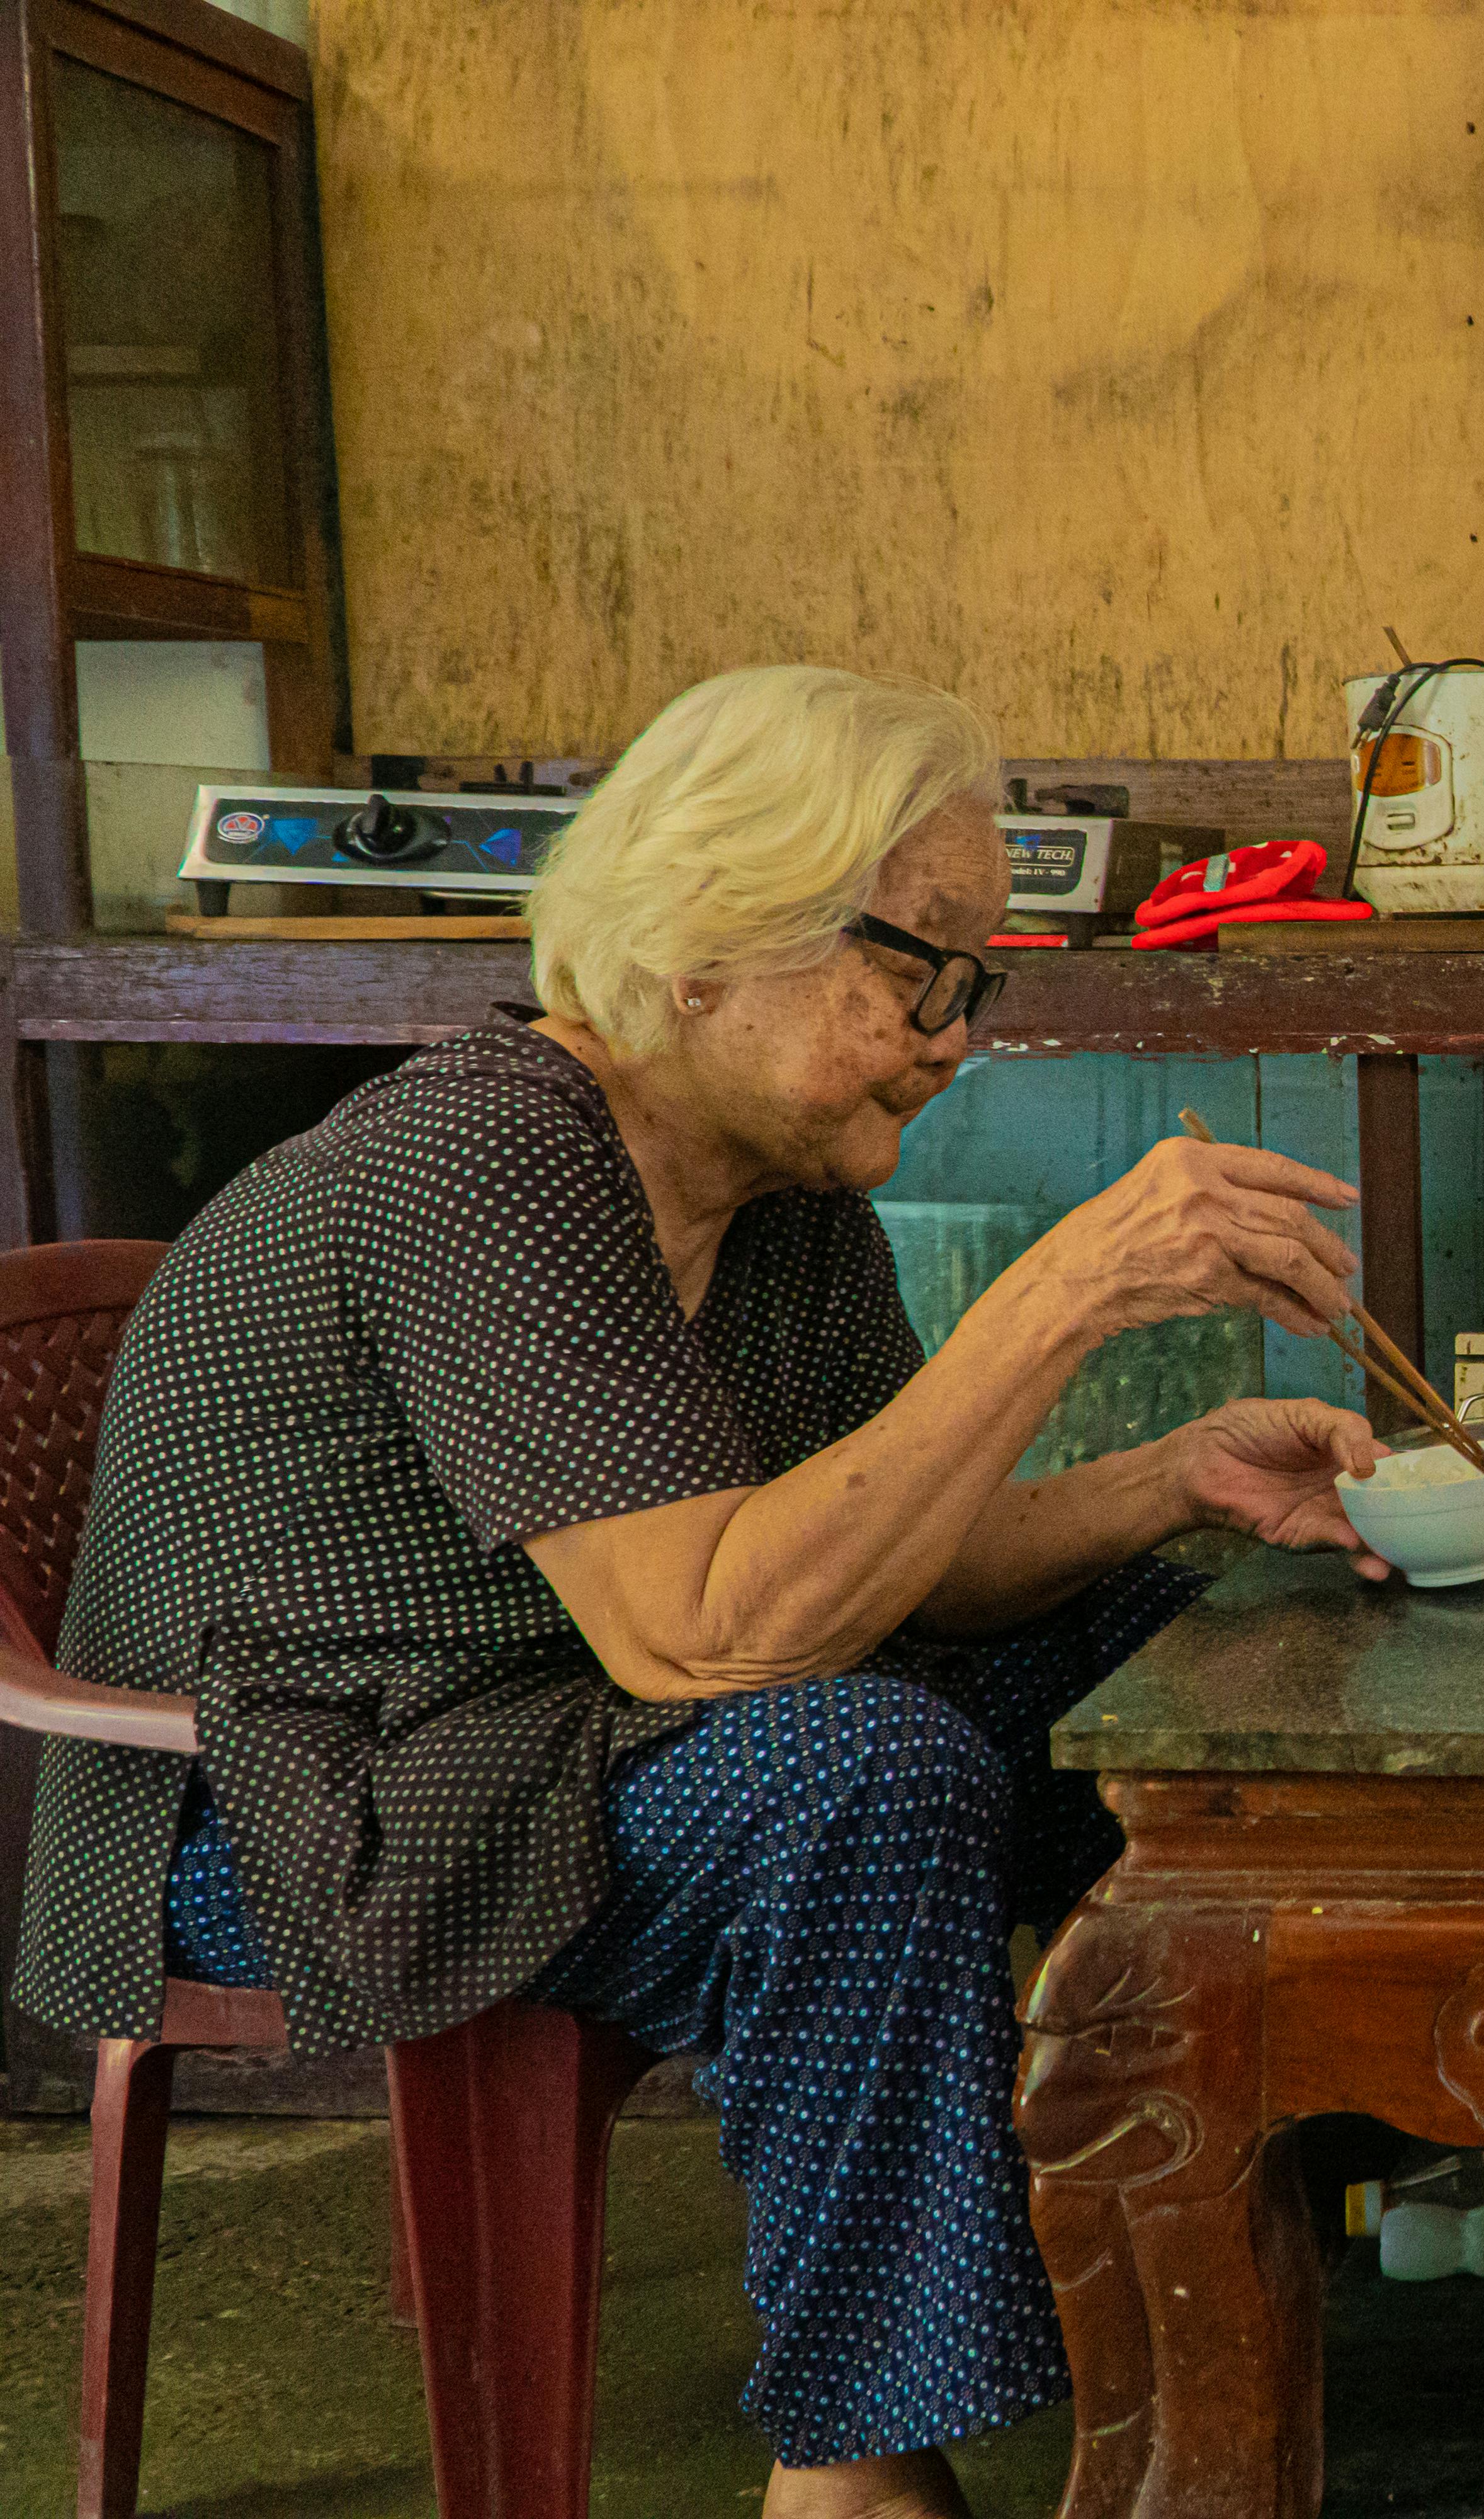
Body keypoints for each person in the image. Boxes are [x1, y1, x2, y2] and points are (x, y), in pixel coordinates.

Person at [14, 666, 1391, 2519]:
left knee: (1180, 1643)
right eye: (922, 973)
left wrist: (1170, 1486)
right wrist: (1060, 1295)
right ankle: (854, 2472)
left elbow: (892, 1555)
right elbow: (714, 1633)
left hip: (570, 1737)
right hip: (301, 1804)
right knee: (861, 1772)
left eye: (973, 983)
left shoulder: (780, 1189)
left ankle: (1226, 2269)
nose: (952, 1034)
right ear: (707, 940)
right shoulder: (485, 1156)